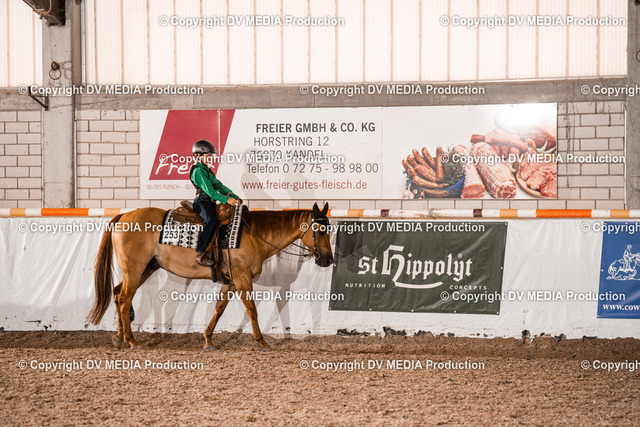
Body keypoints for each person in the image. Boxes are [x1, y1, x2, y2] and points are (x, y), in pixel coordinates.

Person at [190, 139, 241, 266]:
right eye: (208, 156)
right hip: (202, 202)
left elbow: (220, 186)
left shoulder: (207, 170)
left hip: (209, 202)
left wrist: (234, 196)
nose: (210, 159)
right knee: (211, 220)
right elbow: (210, 191)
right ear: (198, 156)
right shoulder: (198, 171)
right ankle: (201, 253)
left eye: (211, 156)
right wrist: (226, 199)